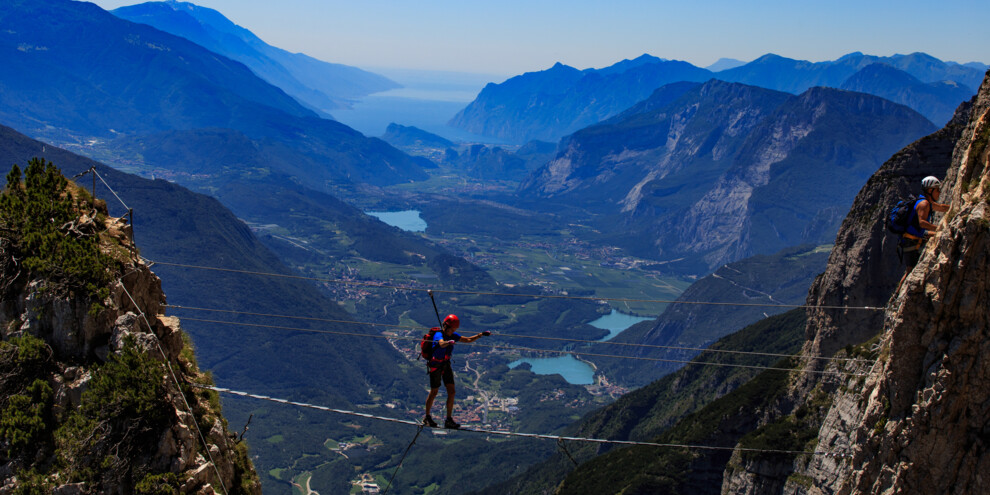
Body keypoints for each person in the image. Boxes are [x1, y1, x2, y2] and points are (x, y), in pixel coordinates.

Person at [423, 314, 491, 429]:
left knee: (452, 392)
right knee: (434, 392)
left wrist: (480, 335)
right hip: (436, 365)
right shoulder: (439, 334)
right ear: (447, 326)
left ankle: (448, 420)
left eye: (454, 329)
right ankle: (427, 417)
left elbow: (467, 340)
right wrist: (448, 342)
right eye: (452, 329)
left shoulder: (453, 335)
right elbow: (441, 343)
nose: (453, 331)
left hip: (445, 364)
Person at [898, 176, 950, 285]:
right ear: (930, 190)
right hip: (911, 240)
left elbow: (941, 207)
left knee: (909, 270)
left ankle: (896, 295)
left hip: (913, 237)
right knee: (910, 270)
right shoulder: (924, 204)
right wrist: (939, 228)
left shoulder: (927, 202)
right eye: (937, 190)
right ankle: (896, 297)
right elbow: (922, 223)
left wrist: (954, 207)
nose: (939, 192)